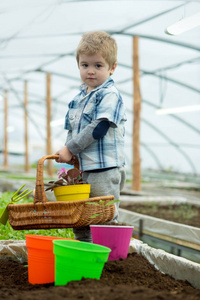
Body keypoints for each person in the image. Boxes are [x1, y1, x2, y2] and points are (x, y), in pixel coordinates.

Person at [55, 31, 126, 242]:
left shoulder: (109, 94)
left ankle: (108, 261)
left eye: (98, 65)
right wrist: (71, 155)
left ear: (112, 68)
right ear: (78, 66)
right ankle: (84, 254)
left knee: (102, 215)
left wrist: (70, 149)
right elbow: (72, 130)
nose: (91, 71)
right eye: (85, 65)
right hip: (84, 169)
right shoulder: (78, 99)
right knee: (80, 216)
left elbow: (99, 127)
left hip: (104, 169)